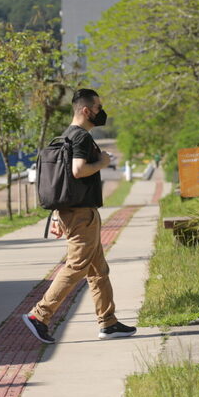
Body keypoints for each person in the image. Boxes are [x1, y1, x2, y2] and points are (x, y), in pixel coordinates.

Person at [22, 89, 137, 344]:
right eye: (98, 107)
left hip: (74, 212)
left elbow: (61, 179)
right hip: (81, 214)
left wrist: (56, 215)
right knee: (76, 266)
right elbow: (77, 170)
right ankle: (39, 316)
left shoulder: (64, 136)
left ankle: (108, 323)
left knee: (98, 271)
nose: (101, 111)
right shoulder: (81, 138)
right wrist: (102, 163)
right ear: (86, 110)